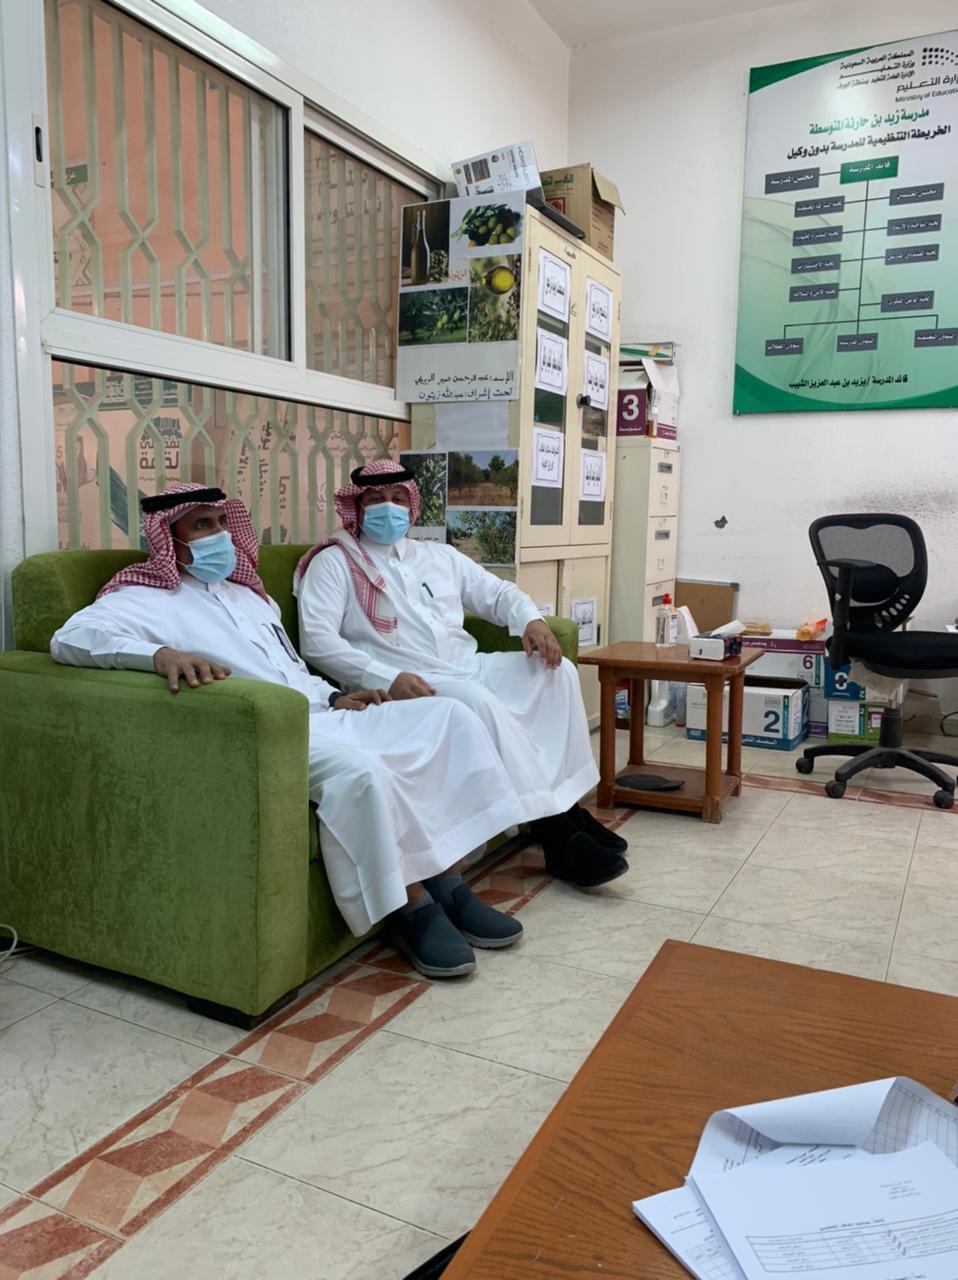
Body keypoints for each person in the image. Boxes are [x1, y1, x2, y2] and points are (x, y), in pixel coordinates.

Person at [50, 482, 536, 981]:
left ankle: (449, 882)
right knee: (363, 770)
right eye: (201, 525)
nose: (220, 535)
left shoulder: (249, 595)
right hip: (264, 733)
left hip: (321, 712)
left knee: (448, 716)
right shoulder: (143, 599)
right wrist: (158, 655)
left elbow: (289, 669)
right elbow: (69, 638)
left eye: (222, 522)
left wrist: (334, 697)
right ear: (166, 538)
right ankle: (409, 908)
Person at [294, 459, 629, 889]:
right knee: (478, 703)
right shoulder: (335, 563)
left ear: (412, 506)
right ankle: (556, 835)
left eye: (397, 498)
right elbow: (317, 642)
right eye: (375, 500)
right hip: (407, 684)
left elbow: (497, 593)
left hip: (467, 666)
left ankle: (567, 803)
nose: (388, 508)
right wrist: (384, 676)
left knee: (555, 673)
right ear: (357, 507)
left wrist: (531, 619)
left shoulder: (438, 555)